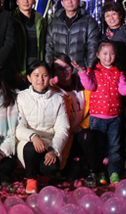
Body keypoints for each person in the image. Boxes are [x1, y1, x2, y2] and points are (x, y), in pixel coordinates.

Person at [78, 41, 126, 186]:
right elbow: (89, 86)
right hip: (97, 117)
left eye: (111, 53)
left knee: (114, 147)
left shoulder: (118, 72)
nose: (108, 57)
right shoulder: (93, 71)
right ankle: (100, 171)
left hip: (115, 117)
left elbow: (123, 91)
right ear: (98, 55)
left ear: (116, 55)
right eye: (105, 53)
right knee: (99, 147)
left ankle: (113, 172)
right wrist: (82, 74)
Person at [16, 60, 70, 194]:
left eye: (45, 75)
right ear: (29, 78)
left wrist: (53, 150)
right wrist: (33, 136)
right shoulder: (21, 98)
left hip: (49, 143)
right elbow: (18, 127)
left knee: (52, 167)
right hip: (29, 142)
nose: (40, 79)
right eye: (36, 75)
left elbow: (63, 129)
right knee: (31, 149)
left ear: (50, 77)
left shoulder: (58, 99)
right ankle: (31, 179)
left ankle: (42, 174)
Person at [50, 53, 90, 183]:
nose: (64, 72)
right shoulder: (53, 91)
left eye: (67, 67)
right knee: (72, 172)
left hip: (81, 131)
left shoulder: (83, 85)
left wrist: (81, 127)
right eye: (59, 69)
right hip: (64, 136)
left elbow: (92, 111)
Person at [45, 0, 98, 71]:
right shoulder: (54, 23)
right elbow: (49, 49)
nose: (70, 2)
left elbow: (93, 48)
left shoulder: (89, 22)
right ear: (62, 3)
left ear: (78, 1)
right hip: (59, 71)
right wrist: (49, 70)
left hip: (80, 71)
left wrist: (88, 70)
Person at [13, 0, 46, 81]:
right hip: (19, 69)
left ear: (34, 1)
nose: (26, 1)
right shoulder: (10, 20)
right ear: (17, 1)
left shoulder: (41, 21)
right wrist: (14, 71)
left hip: (37, 68)